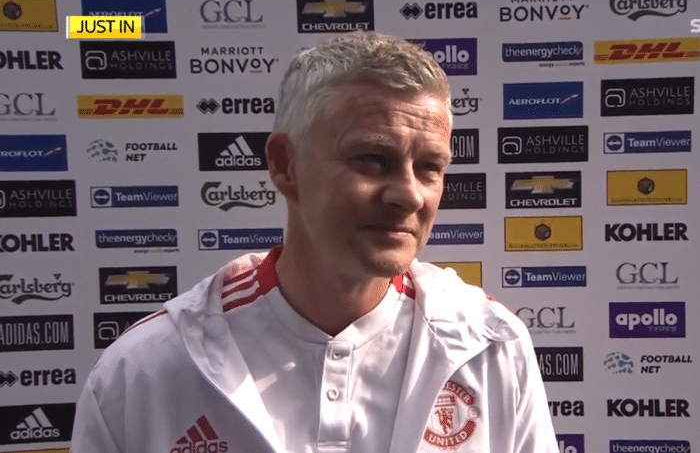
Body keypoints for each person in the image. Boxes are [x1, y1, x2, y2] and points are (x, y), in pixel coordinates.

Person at [71, 31, 558, 453]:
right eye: (372, 158)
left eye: (429, 166)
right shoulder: (145, 369)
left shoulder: (492, 347)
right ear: (285, 164)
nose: (410, 194)